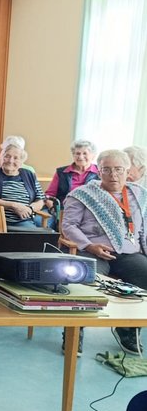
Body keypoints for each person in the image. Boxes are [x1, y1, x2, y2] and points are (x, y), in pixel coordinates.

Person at [62, 149, 146, 357]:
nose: (113, 175)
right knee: (84, 283)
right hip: (92, 251)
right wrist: (90, 246)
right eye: (107, 170)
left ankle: (128, 330)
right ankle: (74, 333)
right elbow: (69, 226)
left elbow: (143, 229)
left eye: (118, 169)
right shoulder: (82, 194)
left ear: (128, 171)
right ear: (99, 172)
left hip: (128, 253)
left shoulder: (139, 194)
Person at [0, 144, 47, 230]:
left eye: (16, 158)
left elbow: (40, 200)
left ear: (21, 162)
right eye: (7, 156)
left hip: (24, 223)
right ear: (0, 159)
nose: (10, 161)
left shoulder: (29, 175)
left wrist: (29, 209)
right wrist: (14, 205)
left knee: (42, 239)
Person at [45, 139, 100, 208]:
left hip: (90, 211)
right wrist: (56, 211)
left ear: (93, 156)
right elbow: (49, 195)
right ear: (73, 155)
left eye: (85, 153)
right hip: (64, 209)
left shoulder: (100, 172)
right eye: (77, 153)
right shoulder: (61, 172)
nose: (80, 157)